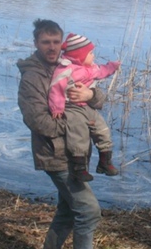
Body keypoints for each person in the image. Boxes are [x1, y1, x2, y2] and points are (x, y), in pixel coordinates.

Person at [16, 18, 118, 249]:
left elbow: (97, 101)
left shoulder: (71, 65)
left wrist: (90, 93)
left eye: (55, 42)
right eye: (45, 42)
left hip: (76, 153)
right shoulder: (32, 77)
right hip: (55, 154)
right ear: (36, 43)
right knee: (88, 210)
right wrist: (75, 125)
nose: (51, 47)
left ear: (62, 43)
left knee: (67, 211)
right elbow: (37, 121)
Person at [49, 32, 121, 182]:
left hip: (87, 106)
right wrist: (57, 107)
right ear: (79, 56)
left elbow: (102, 71)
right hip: (71, 106)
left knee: (102, 129)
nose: (93, 56)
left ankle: (104, 161)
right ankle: (79, 168)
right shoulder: (65, 69)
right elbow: (56, 88)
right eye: (90, 53)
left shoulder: (91, 67)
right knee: (78, 133)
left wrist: (112, 66)